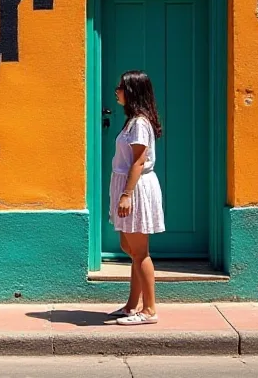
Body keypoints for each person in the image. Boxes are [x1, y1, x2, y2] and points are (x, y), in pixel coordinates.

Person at [107, 70, 164, 326]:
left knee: (140, 252)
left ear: (132, 92)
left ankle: (150, 310)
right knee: (129, 248)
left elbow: (139, 161)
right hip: (126, 185)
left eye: (121, 87)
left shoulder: (140, 123)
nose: (117, 91)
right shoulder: (132, 122)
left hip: (136, 188)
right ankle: (132, 305)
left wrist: (127, 194)